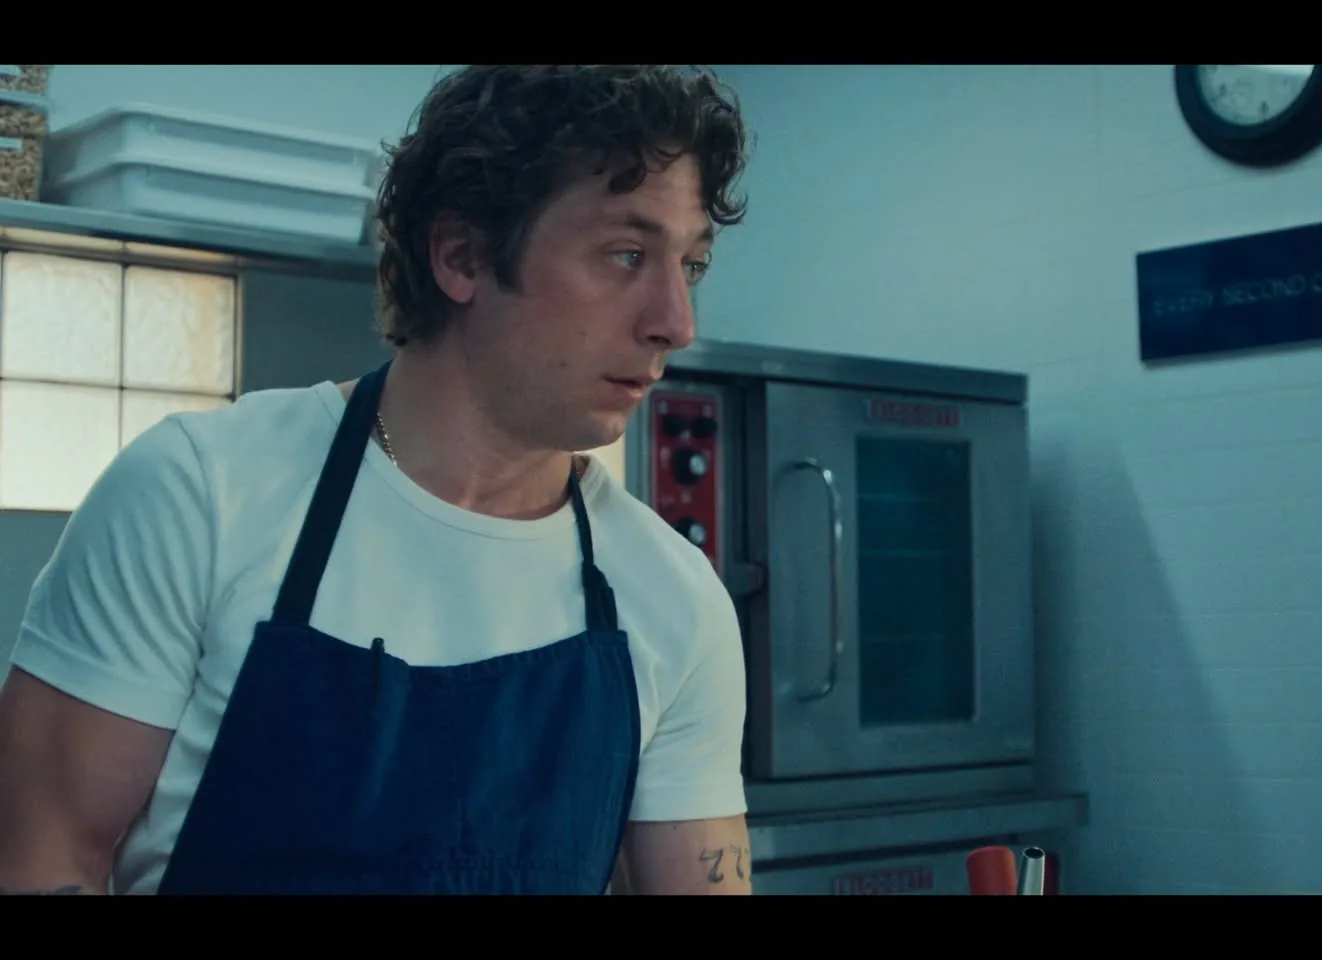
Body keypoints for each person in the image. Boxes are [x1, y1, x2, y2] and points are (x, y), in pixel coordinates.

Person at [0, 64, 755, 895]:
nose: (675, 322)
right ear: (461, 255)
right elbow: (44, 859)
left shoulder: (675, 600)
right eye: (625, 253)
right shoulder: (198, 493)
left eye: (690, 265)